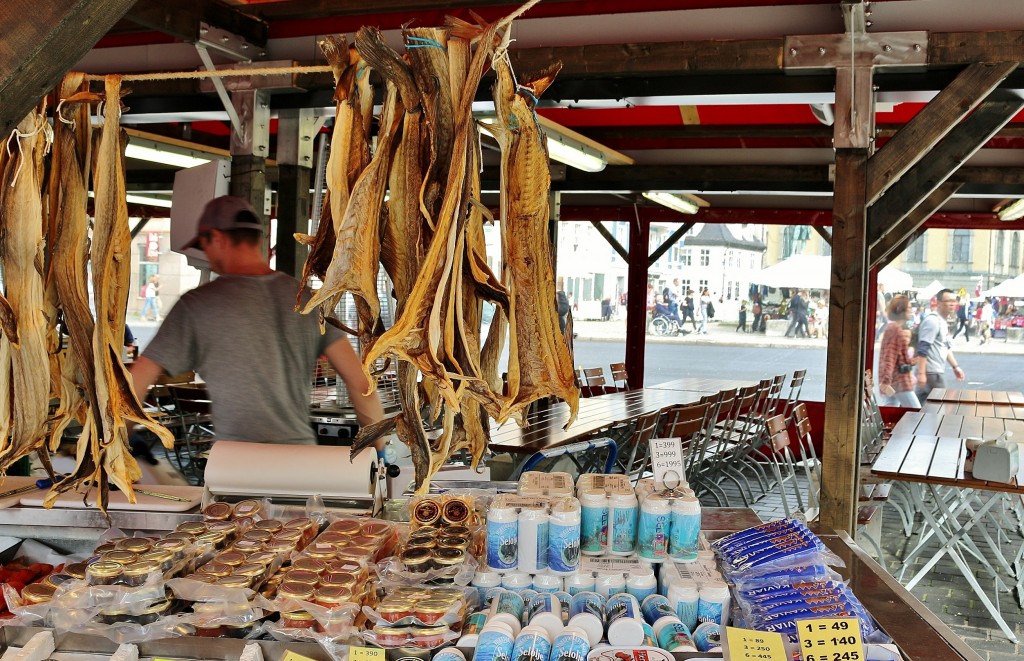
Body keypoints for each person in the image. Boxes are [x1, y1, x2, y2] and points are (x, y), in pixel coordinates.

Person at [129, 195, 384, 446]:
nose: (205, 254)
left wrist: (120, 441)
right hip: (299, 465)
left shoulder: (197, 305)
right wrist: (379, 455)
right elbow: (361, 384)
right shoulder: (308, 299)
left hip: (235, 466)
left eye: (203, 246)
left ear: (216, 238)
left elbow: (139, 376)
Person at [915, 288, 966, 400]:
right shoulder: (933, 321)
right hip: (932, 373)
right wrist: (921, 373)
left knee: (917, 407)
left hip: (934, 371)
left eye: (954, 300)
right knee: (942, 406)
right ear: (939, 303)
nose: (952, 304)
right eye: (948, 301)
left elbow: (945, 347)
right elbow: (923, 349)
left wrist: (955, 366)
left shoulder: (942, 321)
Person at [877, 295, 921, 409]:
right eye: (909, 307)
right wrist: (886, 381)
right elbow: (889, 357)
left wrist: (915, 360)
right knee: (916, 412)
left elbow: (896, 357)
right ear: (901, 309)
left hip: (893, 380)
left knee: (890, 411)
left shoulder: (892, 328)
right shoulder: (895, 329)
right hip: (899, 381)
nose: (911, 310)